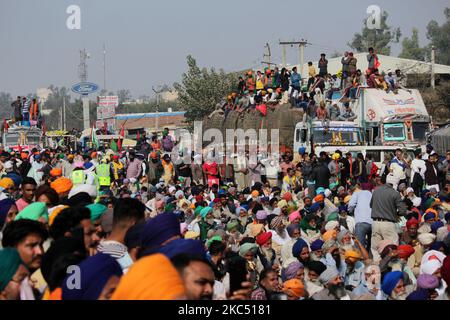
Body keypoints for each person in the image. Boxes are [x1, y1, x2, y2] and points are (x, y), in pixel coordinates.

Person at [370, 179, 407, 262]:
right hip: (388, 223)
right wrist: (395, 214)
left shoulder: (376, 191)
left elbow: (371, 205)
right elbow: (403, 210)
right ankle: (392, 269)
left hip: (375, 222)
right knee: (392, 248)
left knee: (375, 249)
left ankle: (377, 268)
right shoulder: (395, 193)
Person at [348, 183, 373, 251]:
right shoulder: (373, 194)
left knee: (359, 247)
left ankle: (362, 260)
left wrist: (350, 211)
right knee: (372, 248)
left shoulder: (357, 193)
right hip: (372, 222)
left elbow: (350, 205)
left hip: (361, 222)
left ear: (361, 188)